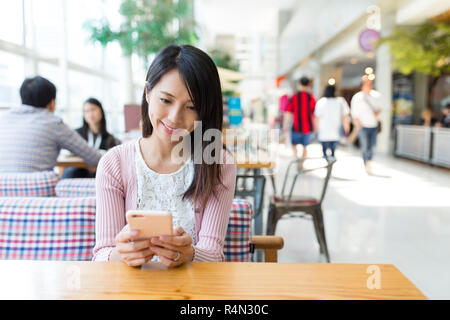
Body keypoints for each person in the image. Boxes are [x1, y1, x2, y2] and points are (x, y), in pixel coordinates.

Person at [93, 44, 237, 268]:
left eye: (191, 107)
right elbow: (101, 255)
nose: (174, 118)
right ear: (148, 93)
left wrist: (189, 254)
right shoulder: (114, 164)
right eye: (166, 100)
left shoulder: (219, 164)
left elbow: (213, 254)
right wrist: (120, 254)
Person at [0, 76, 102, 173]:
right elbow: (94, 157)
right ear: (52, 103)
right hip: (39, 187)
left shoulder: (3, 118)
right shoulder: (54, 123)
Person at [62, 98, 120, 178]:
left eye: (93, 109)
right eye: (86, 111)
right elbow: (67, 154)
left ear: (101, 111)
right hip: (79, 170)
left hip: (99, 172)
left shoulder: (110, 139)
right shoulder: (76, 134)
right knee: (70, 172)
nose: (90, 114)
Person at [350, 75, 381, 174]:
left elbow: (379, 108)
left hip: (373, 125)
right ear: (362, 85)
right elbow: (354, 113)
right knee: (364, 146)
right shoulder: (357, 97)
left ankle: (369, 161)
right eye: (367, 84)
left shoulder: (376, 95)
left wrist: (377, 114)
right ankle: (366, 162)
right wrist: (358, 124)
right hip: (362, 126)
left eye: (371, 84)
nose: (369, 86)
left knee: (372, 145)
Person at [283, 76, 316, 160]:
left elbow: (288, 113)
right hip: (308, 127)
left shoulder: (294, 97)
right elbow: (314, 114)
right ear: (308, 85)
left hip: (296, 126)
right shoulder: (311, 98)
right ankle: (302, 162)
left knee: (294, 144)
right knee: (305, 147)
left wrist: (285, 126)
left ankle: (297, 158)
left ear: (299, 84)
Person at [314, 84, 350, 160]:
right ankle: (330, 165)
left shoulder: (321, 102)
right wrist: (347, 129)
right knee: (333, 153)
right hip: (336, 131)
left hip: (324, 132)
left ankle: (327, 165)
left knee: (325, 153)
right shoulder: (341, 101)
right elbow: (345, 117)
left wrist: (317, 130)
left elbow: (317, 118)